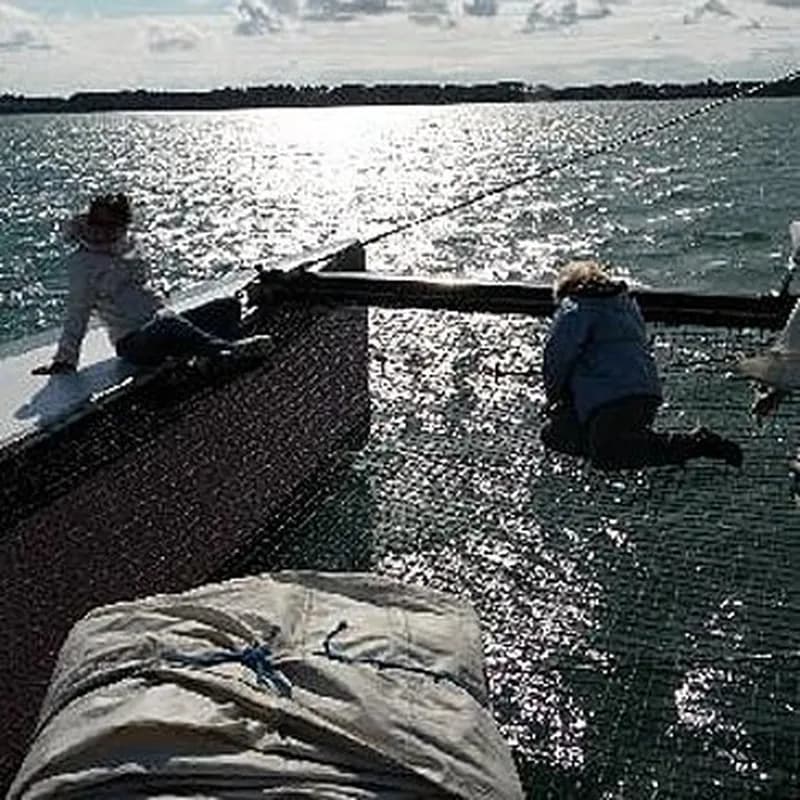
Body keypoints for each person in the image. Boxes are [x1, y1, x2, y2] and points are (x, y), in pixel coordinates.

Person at [33, 192, 271, 375]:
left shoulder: (129, 246)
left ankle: (206, 356)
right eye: (100, 224)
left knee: (227, 306)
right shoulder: (83, 262)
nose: (104, 232)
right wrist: (65, 360)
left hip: (163, 322)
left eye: (113, 225)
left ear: (123, 225)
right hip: (134, 342)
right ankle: (225, 351)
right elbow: (77, 312)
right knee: (167, 323)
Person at [540, 259, 743, 470]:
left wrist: (553, 395)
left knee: (606, 455)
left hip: (610, 398)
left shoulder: (575, 308)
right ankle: (616, 445)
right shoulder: (625, 306)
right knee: (558, 435)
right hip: (644, 390)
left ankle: (696, 443)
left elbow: (557, 356)